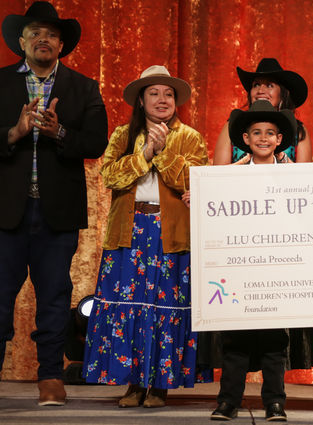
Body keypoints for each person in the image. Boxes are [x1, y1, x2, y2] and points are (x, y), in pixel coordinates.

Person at [82, 65, 209, 408]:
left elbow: (193, 182)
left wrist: (164, 150)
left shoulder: (190, 136)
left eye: (168, 94)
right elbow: (109, 175)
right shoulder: (124, 134)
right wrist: (145, 154)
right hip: (129, 231)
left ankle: (159, 385)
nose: (162, 99)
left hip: (170, 234)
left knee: (164, 306)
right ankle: (133, 383)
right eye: (154, 93)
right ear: (141, 100)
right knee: (129, 307)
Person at [0, 1, 108, 406]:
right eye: (35, 33)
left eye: (51, 34)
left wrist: (60, 132)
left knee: (54, 299)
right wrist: (15, 131)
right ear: (22, 42)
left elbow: (96, 142)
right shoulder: (1, 82)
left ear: (61, 44)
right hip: (6, 212)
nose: (43, 39)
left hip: (56, 213)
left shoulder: (83, 87)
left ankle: (50, 379)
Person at [209, 100, 298, 422]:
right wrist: (200, 199)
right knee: (236, 339)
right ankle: (228, 401)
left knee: (275, 339)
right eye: (256, 132)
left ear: (279, 140)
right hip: (240, 267)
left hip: (277, 266)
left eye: (270, 133)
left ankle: (275, 402)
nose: (263, 138)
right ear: (245, 139)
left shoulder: (294, 175)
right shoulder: (227, 177)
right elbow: (213, 210)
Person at [214, 58, 310, 165]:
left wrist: (282, 158)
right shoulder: (232, 126)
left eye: (269, 85)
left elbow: (303, 176)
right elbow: (218, 174)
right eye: (256, 85)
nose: (260, 91)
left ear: (282, 94)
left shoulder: (298, 130)